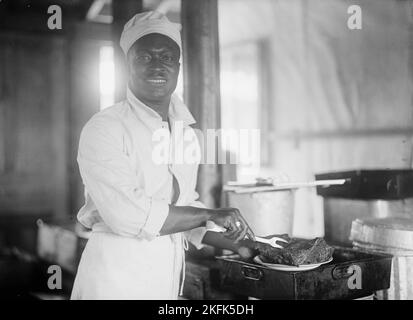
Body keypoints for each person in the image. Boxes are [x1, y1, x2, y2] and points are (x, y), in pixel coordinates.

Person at [70, 11, 255, 300]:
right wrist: (210, 214)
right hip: (115, 278)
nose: (157, 67)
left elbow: (181, 206)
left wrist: (235, 242)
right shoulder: (105, 127)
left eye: (167, 57)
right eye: (144, 57)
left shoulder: (184, 132)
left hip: (164, 276)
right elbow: (128, 214)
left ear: (178, 67)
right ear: (126, 64)